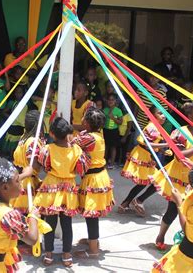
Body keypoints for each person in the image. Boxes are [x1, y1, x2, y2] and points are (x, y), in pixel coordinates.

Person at [150, 103, 193, 250]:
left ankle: (189, 240)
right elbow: (179, 156)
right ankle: (161, 235)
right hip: (180, 179)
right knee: (174, 210)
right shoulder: (181, 132)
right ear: (189, 117)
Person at [34, 117, 90, 267]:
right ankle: (67, 255)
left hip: (51, 187)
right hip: (69, 188)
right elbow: (81, 169)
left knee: (49, 223)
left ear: (52, 134)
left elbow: (45, 166)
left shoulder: (47, 149)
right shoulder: (76, 150)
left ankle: (49, 254)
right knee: (67, 224)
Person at [72, 108, 114, 258]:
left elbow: (72, 142)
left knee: (91, 214)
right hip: (98, 176)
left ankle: (93, 250)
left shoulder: (88, 138)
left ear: (87, 123)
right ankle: (92, 240)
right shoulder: (97, 135)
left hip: (93, 179)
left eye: (84, 118)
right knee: (91, 213)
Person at [119, 106, 168, 216]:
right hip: (142, 156)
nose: (163, 116)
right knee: (157, 181)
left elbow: (151, 145)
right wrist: (166, 145)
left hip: (145, 155)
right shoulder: (152, 127)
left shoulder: (156, 127)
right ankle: (136, 201)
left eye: (164, 113)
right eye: (160, 113)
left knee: (146, 182)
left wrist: (162, 150)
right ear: (152, 116)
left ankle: (126, 203)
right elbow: (147, 144)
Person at [11, 110, 43, 214]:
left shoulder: (24, 138)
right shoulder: (33, 142)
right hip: (28, 184)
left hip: (20, 180)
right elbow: (34, 166)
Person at [1, 86, 27, 158]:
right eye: (16, 92)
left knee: (18, 146)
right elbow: (3, 112)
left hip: (21, 127)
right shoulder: (12, 103)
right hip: (13, 127)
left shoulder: (26, 103)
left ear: (23, 93)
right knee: (10, 146)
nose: (18, 94)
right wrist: (12, 117)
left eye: (20, 92)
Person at [103, 93, 123, 169]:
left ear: (115, 101)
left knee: (113, 147)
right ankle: (104, 162)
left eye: (112, 100)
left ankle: (111, 163)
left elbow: (120, 122)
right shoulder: (105, 110)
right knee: (106, 146)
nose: (111, 101)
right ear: (107, 101)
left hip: (114, 131)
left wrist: (113, 118)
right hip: (106, 130)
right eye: (109, 100)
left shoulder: (118, 111)